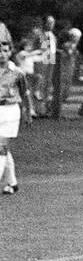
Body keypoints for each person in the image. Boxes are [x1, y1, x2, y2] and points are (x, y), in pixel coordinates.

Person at [0, 23, 34, 195]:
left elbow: (25, 93)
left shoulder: (17, 72)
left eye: (5, 51)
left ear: (10, 52)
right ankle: (12, 182)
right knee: (3, 148)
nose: (2, 54)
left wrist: (29, 111)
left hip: (9, 111)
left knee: (1, 146)